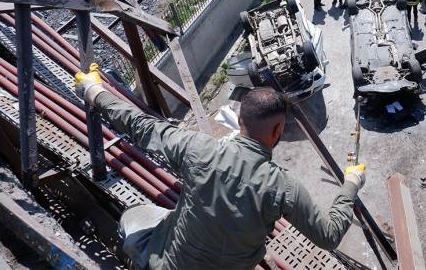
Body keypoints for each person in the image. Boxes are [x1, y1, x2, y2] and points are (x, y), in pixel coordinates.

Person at [74, 70, 367, 270]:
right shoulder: (283, 187)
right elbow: (328, 235)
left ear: (240, 119)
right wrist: (351, 183)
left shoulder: (198, 149)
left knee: (135, 217)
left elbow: (140, 125)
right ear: (278, 130)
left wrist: (93, 90)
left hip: (168, 265)